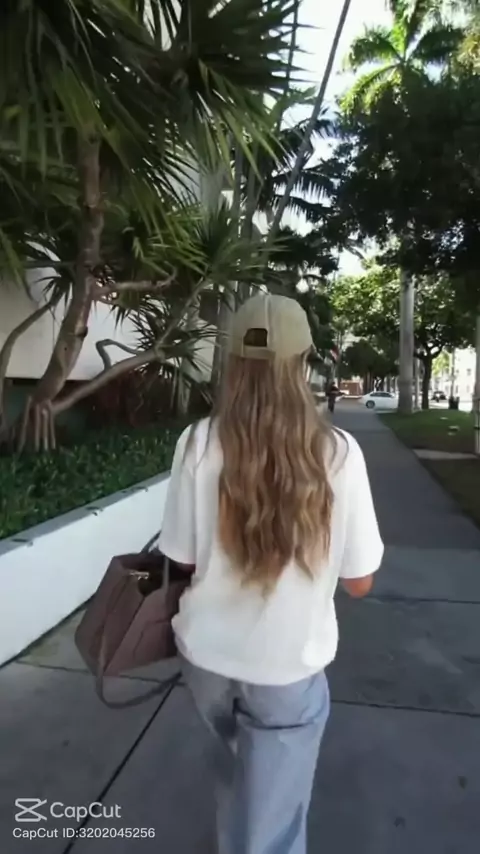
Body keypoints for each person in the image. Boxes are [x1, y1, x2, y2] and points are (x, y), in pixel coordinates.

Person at [158, 293, 384, 854]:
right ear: (303, 362)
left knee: (234, 780)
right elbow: (359, 582)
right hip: (287, 667)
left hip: (207, 660)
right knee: (274, 823)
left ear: (234, 361)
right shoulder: (338, 454)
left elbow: (181, 560)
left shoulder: (198, 442)